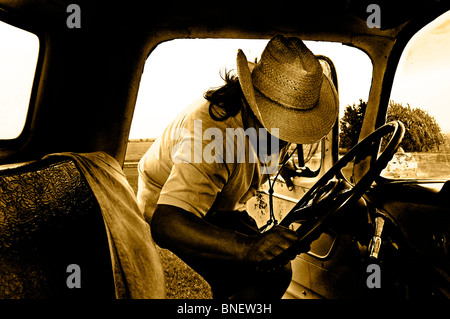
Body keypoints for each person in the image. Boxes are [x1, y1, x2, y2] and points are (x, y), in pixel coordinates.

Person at [137, 35, 338, 299]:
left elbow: (263, 148)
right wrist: (249, 247)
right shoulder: (211, 132)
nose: (283, 142)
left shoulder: (268, 132)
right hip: (172, 207)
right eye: (278, 128)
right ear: (249, 102)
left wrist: (284, 167)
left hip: (223, 203)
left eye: (292, 130)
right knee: (259, 276)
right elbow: (168, 223)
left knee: (271, 271)